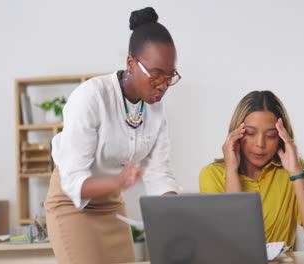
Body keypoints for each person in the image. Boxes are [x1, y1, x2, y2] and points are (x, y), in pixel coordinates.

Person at [45, 7, 180, 264]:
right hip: (71, 205)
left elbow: (158, 172)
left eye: (170, 75)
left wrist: (176, 213)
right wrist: (117, 182)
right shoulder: (91, 97)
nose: (163, 85)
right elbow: (73, 181)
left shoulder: (156, 109)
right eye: (156, 75)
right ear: (131, 63)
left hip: (110, 206)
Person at [199, 91, 304, 253]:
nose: (260, 144)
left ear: (282, 137)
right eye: (250, 133)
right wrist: (232, 170)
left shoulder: (295, 171)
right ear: (236, 133)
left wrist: (297, 173)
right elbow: (234, 246)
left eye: (271, 135)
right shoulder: (211, 175)